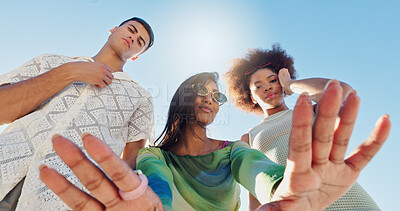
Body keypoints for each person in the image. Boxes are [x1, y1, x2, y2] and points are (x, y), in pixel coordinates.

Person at [39, 72, 391, 210]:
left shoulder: (234, 151)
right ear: (182, 98)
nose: (210, 99)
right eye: (201, 92)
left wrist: (281, 186)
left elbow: (258, 172)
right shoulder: (153, 156)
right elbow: (156, 185)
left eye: (217, 96)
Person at [0, 17, 155, 210]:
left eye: (140, 41)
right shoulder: (51, 61)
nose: (133, 38)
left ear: (136, 56)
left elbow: (132, 161)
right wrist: (70, 72)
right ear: (113, 28)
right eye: (131, 30)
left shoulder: (141, 97)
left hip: (64, 200)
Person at [224, 44, 381, 210]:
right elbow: (256, 187)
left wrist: (290, 84)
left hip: (345, 194)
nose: (267, 87)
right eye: (258, 86)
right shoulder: (249, 137)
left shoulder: (309, 110)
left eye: (272, 80)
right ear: (251, 97)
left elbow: (343, 92)